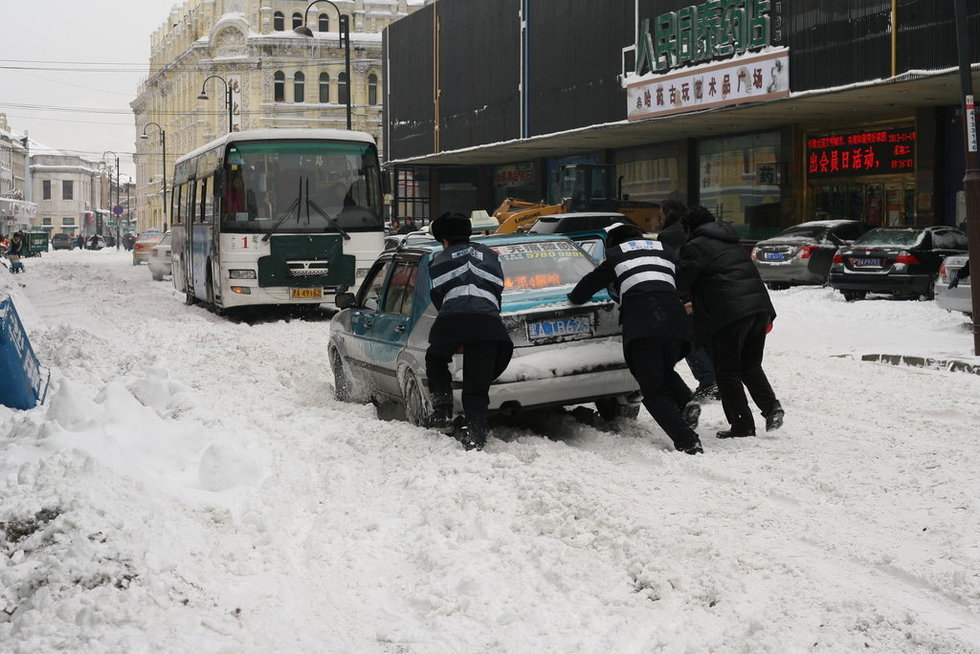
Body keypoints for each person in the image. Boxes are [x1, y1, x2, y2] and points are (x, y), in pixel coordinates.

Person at [568, 223, 703, 454]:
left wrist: (573, 297)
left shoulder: (617, 255)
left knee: (652, 390)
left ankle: (687, 441)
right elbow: (683, 283)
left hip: (644, 324)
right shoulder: (665, 251)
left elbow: (586, 287)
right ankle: (684, 401)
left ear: (613, 243)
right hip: (676, 322)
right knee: (660, 369)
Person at [676, 205, 784, 439]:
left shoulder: (695, 246)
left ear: (689, 229)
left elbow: (682, 281)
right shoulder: (732, 242)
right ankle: (771, 408)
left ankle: (742, 425)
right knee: (750, 364)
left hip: (730, 313)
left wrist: (682, 301)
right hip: (759, 308)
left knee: (726, 371)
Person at [425, 211, 514, 451]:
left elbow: (437, 296)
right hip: (488, 323)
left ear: (443, 239)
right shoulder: (490, 256)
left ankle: (442, 408)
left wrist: (454, 334)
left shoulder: (438, 259)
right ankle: (476, 434)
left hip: (452, 319)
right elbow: (496, 292)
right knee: (477, 383)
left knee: (435, 358)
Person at [657, 198, 719, 401]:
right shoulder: (699, 231)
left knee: (689, 338)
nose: (660, 217)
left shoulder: (667, 235)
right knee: (706, 335)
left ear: (668, 213)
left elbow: (668, 264)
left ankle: (708, 379)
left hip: (684, 290)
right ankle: (717, 379)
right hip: (705, 289)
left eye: (661, 213)